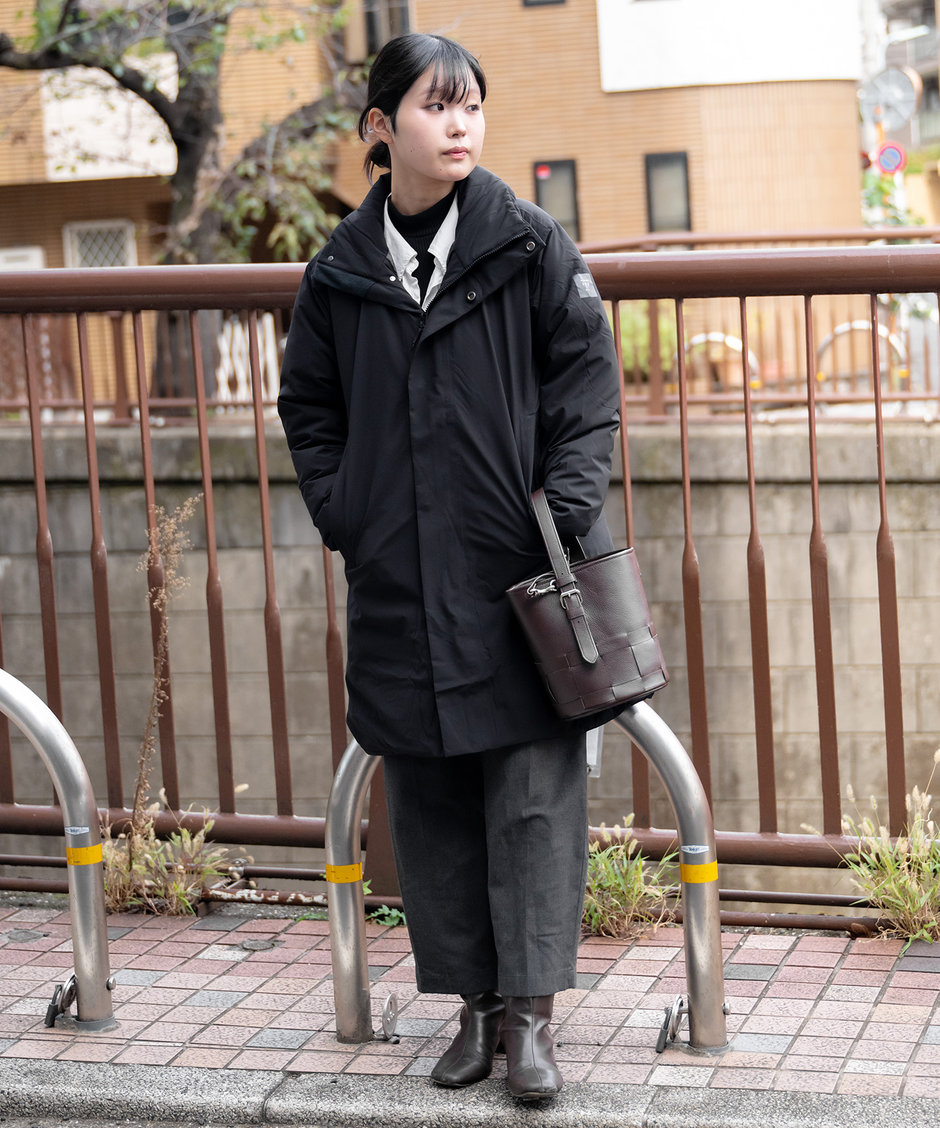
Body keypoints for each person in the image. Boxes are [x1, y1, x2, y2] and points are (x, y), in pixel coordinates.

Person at [278, 32, 621, 1101]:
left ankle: (532, 1019)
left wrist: (559, 515)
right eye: (436, 106)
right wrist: (349, 514)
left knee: (530, 795)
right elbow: (309, 409)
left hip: (516, 569)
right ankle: (473, 1009)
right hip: (399, 572)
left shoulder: (526, 243)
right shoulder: (339, 272)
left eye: (471, 104)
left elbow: (587, 390)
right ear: (382, 128)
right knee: (429, 797)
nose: (461, 124)